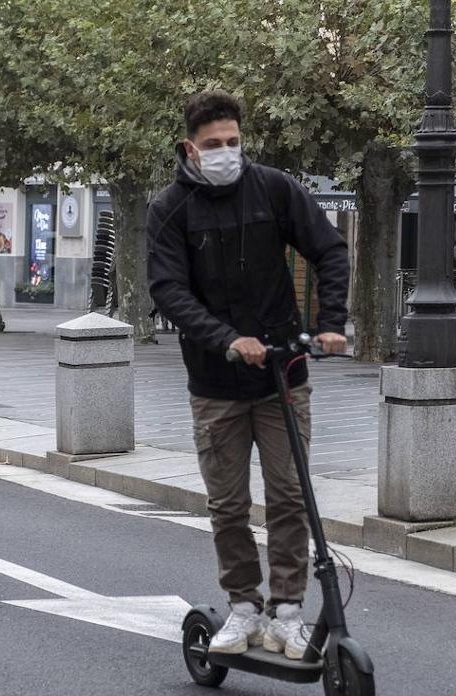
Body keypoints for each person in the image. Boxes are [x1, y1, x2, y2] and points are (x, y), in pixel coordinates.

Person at [146, 91, 349, 660]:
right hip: (215, 382)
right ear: (190, 148)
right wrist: (227, 340)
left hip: (283, 373)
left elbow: (330, 251)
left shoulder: (274, 188)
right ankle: (242, 606)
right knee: (228, 505)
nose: (226, 153)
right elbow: (168, 291)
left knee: (289, 496)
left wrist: (329, 322)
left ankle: (286, 611)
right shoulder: (170, 209)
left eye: (234, 142)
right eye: (214, 145)